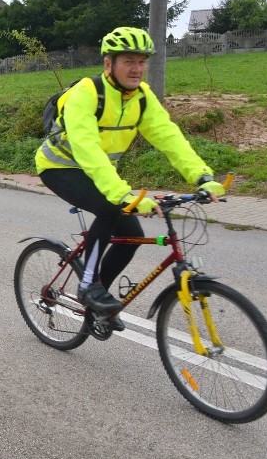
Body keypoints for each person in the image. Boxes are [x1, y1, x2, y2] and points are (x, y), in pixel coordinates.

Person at [35, 26, 225, 329]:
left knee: (132, 235)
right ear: (109, 64)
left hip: (99, 173)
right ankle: (87, 286)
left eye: (142, 61)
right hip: (60, 167)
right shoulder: (86, 93)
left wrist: (202, 176)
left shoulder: (142, 98)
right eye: (129, 62)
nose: (137, 69)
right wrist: (123, 194)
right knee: (111, 207)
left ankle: (98, 300)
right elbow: (87, 148)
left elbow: (169, 137)